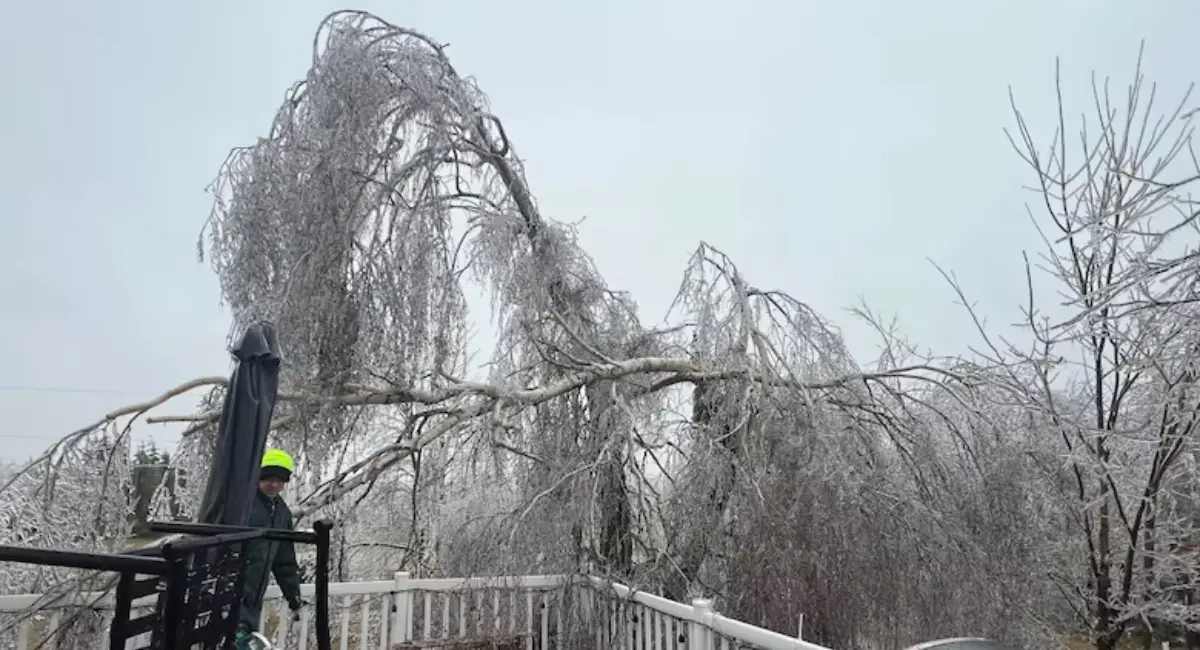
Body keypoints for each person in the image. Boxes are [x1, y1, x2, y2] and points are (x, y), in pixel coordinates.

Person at [238, 448, 304, 638]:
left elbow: (284, 559)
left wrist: (293, 597)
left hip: (254, 595)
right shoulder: (243, 505)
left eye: (280, 480)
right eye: (269, 478)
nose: (274, 484)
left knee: (246, 638)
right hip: (232, 591)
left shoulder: (282, 513)